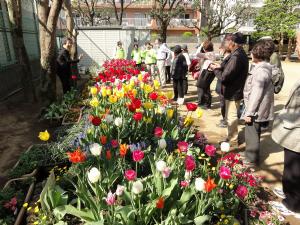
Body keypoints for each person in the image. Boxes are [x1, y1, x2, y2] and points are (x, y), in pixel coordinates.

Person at [270, 32, 300, 217]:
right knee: (290, 165)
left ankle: (293, 205)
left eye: (298, 42)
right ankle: (289, 191)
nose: (296, 46)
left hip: (297, 130)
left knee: (295, 167)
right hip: (293, 127)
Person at [210, 33, 249, 147]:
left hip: (233, 92)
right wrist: (220, 67)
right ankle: (230, 136)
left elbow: (224, 77)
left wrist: (214, 69)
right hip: (233, 90)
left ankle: (232, 140)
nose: (225, 44)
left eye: (227, 41)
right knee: (229, 116)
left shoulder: (237, 56)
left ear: (232, 42)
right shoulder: (237, 53)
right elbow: (229, 69)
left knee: (231, 117)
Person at [242, 41, 275, 166]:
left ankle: (250, 159)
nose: (250, 53)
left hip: (256, 109)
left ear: (257, 54)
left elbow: (256, 94)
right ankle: (252, 156)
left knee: (252, 132)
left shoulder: (261, 71)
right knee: (255, 132)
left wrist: (249, 112)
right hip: (259, 108)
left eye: (252, 51)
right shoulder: (264, 68)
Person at [196, 40, 216, 109]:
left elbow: (197, 54)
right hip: (208, 72)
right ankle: (206, 104)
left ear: (205, 48)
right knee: (206, 88)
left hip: (207, 73)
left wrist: (201, 46)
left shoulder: (208, 54)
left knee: (203, 88)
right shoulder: (212, 53)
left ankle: (206, 104)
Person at [215, 42, 231, 128]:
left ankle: (225, 120)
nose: (219, 50)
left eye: (220, 49)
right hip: (222, 86)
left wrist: (216, 69)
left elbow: (224, 74)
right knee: (223, 104)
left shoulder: (229, 58)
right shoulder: (226, 57)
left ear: (224, 49)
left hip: (224, 86)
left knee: (224, 104)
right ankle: (224, 118)